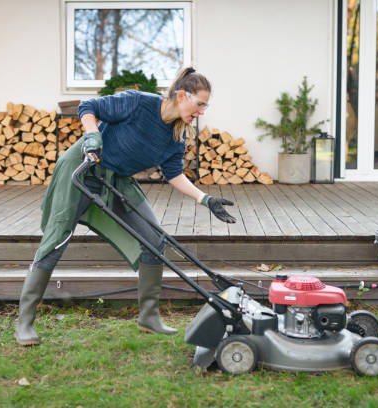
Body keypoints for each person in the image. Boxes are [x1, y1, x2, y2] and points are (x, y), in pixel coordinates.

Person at [15, 67, 237, 346]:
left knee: (154, 240)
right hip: (82, 168)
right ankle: (24, 323)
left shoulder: (176, 136)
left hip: (116, 179)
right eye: (200, 104)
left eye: (206, 106)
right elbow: (89, 106)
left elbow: (174, 174)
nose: (202, 112)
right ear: (182, 95)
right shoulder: (139, 102)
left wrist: (205, 199)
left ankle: (149, 318)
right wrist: (92, 134)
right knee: (56, 240)